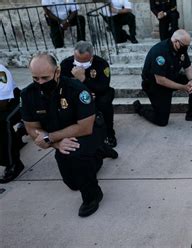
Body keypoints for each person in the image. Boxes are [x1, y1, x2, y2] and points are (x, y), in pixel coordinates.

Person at [21, 53, 104, 217]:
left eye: (45, 78)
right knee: (73, 183)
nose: (40, 83)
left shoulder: (76, 89)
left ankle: (93, 196)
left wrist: (50, 137)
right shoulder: (28, 94)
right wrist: (55, 143)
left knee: (77, 155)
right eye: (35, 78)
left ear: (57, 72)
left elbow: (85, 127)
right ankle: (99, 153)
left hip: (90, 131)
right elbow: (32, 128)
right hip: (59, 137)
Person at [134, 29, 192, 126]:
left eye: (187, 46)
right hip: (155, 85)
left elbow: (188, 67)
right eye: (184, 46)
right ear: (175, 41)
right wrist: (183, 87)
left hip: (171, 77)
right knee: (161, 121)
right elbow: (160, 80)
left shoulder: (180, 48)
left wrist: (191, 81)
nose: (186, 48)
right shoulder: (160, 52)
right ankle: (140, 108)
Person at [60, 41, 118, 148]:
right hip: (76, 96)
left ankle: (109, 133)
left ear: (91, 57)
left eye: (84, 61)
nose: (81, 64)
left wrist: (83, 79)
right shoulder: (66, 64)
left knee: (106, 99)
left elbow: (103, 86)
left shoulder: (101, 64)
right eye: (78, 60)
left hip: (97, 94)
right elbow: (62, 87)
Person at [0, 65, 25, 183]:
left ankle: (14, 163)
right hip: (3, 104)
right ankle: (17, 139)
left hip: (14, 101)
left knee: (4, 121)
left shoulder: (1, 72)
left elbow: (2, 103)